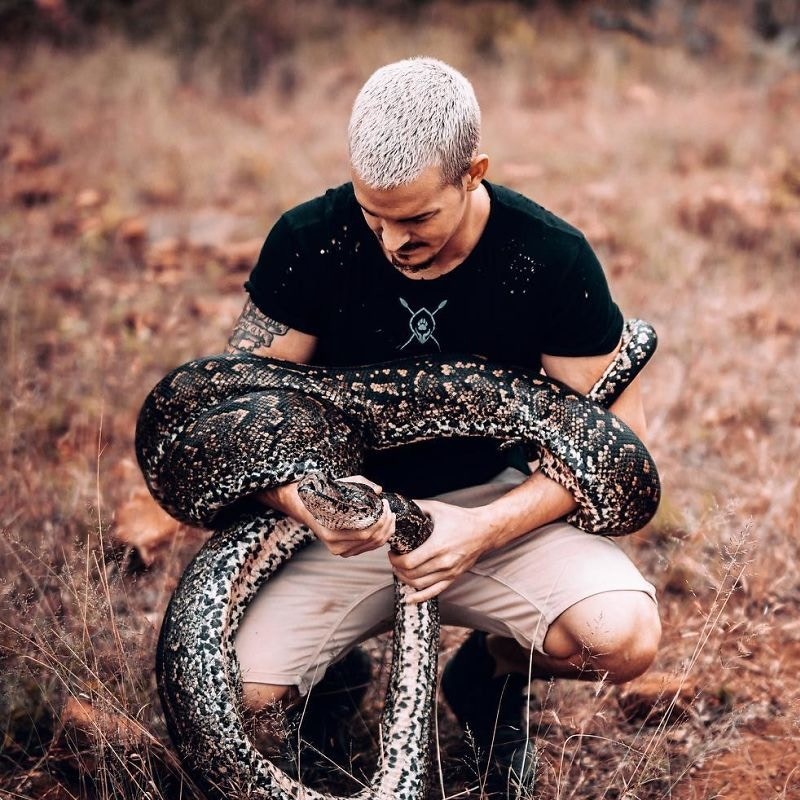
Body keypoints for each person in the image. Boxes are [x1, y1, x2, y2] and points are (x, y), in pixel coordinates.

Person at [227, 57, 661, 794]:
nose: (392, 242)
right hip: (344, 520)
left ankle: (489, 675)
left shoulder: (548, 259)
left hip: (497, 507)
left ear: (472, 173)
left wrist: (485, 528)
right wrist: (310, 504)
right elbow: (242, 422)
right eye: (374, 216)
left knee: (622, 637)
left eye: (417, 218)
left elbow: (620, 450)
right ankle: (334, 677)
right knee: (241, 698)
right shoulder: (310, 241)